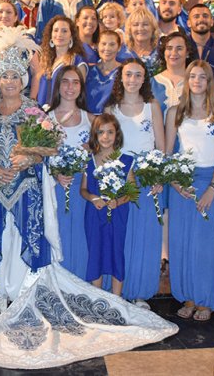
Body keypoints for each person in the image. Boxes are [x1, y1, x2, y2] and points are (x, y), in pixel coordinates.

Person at [0, 27, 54, 314]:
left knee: (25, 236)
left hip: (26, 186)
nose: (10, 81)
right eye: (5, 76)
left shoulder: (34, 110)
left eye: (15, 76)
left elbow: (48, 149)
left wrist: (30, 159)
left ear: (23, 80)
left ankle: (24, 290)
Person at [165, 60, 214, 322]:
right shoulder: (174, 112)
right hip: (182, 182)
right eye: (193, 76)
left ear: (209, 82)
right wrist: (175, 183)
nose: (197, 81)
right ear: (187, 80)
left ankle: (206, 300)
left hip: (210, 181)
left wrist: (213, 188)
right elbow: (168, 153)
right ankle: (188, 297)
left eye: (203, 77)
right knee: (182, 243)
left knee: (206, 245)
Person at [105, 58, 165, 308]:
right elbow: (106, 146)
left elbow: (161, 145)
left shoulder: (152, 106)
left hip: (148, 176)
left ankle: (140, 291)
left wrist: (160, 176)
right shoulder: (111, 108)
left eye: (138, 75)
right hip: (120, 175)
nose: (132, 80)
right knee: (121, 235)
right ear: (121, 77)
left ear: (144, 79)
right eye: (128, 74)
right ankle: (118, 290)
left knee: (145, 236)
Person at [79, 113, 133, 297]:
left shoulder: (126, 161)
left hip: (117, 213)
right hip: (95, 214)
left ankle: (117, 298)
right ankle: (98, 297)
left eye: (110, 132)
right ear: (95, 135)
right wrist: (94, 198)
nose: (105, 137)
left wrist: (118, 201)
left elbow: (132, 190)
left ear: (117, 134)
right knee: (96, 252)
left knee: (116, 250)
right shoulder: (89, 161)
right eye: (101, 132)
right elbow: (83, 190)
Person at [46, 65, 92, 279]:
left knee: (81, 235)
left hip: (82, 189)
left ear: (81, 88)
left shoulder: (90, 119)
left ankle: (80, 281)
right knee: (59, 234)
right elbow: (39, 156)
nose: (70, 87)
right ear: (58, 86)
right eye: (65, 81)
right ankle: (59, 283)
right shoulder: (46, 119)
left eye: (75, 82)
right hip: (56, 187)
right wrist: (55, 173)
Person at [32, 15, 88, 106]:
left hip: (64, 114)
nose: (59, 34)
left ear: (71, 36)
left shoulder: (77, 61)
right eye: (56, 30)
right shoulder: (45, 59)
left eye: (64, 31)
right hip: (42, 114)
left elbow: (79, 94)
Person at [152, 32, 193, 114]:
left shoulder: (196, 82)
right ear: (164, 53)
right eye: (169, 48)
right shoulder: (152, 83)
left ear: (187, 53)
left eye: (179, 48)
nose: (174, 53)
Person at [85, 30, 122, 114]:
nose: (107, 48)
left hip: (114, 122)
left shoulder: (124, 72)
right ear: (97, 46)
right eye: (103, 44)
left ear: (119, 47)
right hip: (88, 122)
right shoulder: (88, 70)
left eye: (112, 44)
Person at [122, 6, 161, 74]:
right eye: (135, 25)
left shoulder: (161, 54)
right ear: (130, 29)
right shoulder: (120, 54)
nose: (140, 28)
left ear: (153, 28)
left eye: (145, 24)